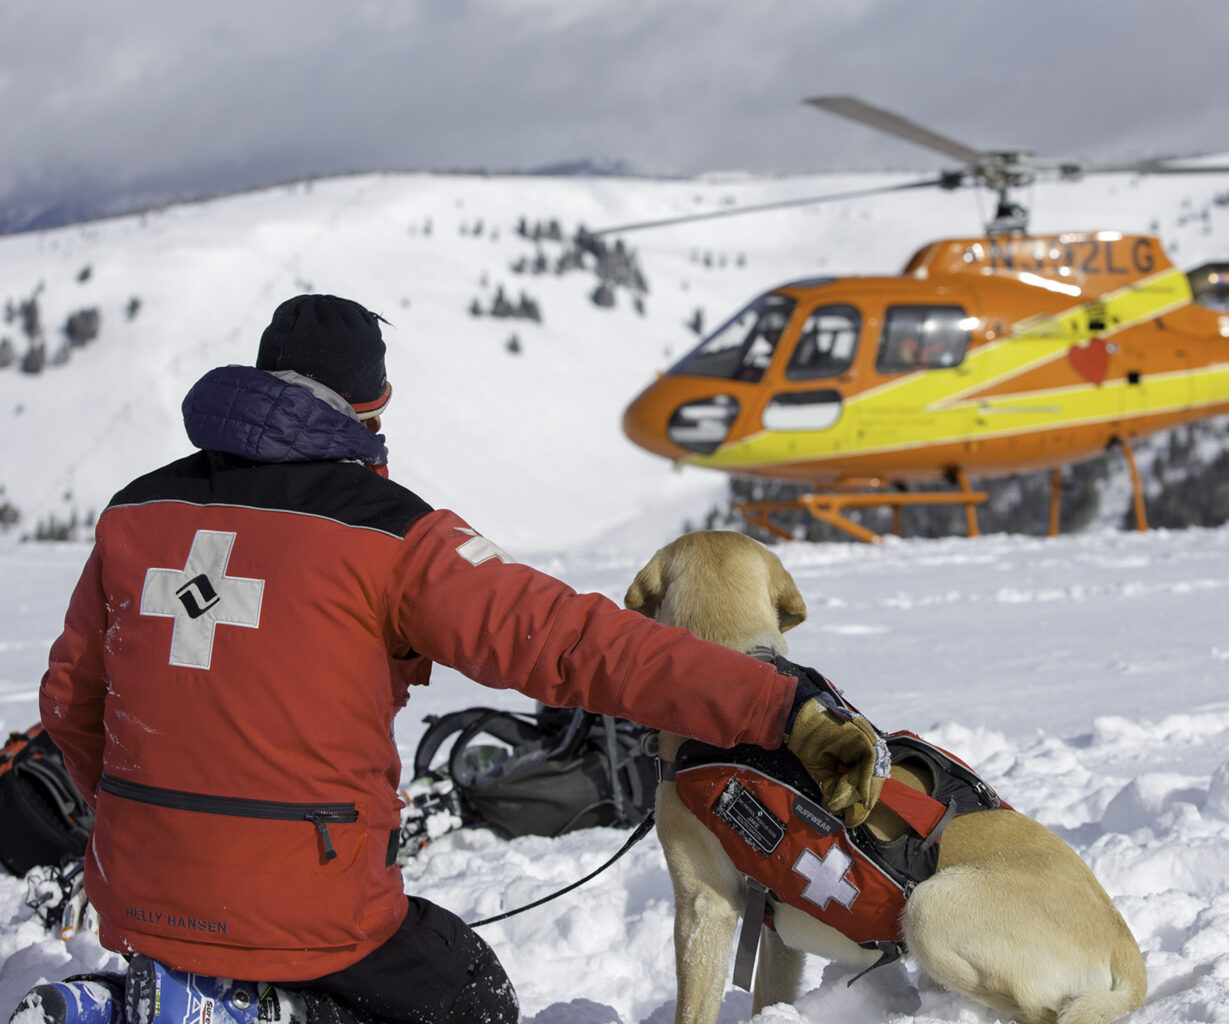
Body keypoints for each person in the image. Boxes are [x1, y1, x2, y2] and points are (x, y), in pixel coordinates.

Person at [28, 294, 886, 1024]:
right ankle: (231, 1010)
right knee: (471, 995)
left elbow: (71, 698)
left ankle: (136, 999)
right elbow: (577, 644)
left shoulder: (133, 513)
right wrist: (780, 708)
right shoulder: (392, 535)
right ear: (372, 407)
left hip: (137, 891)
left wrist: (154, 826)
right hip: (310, 904)